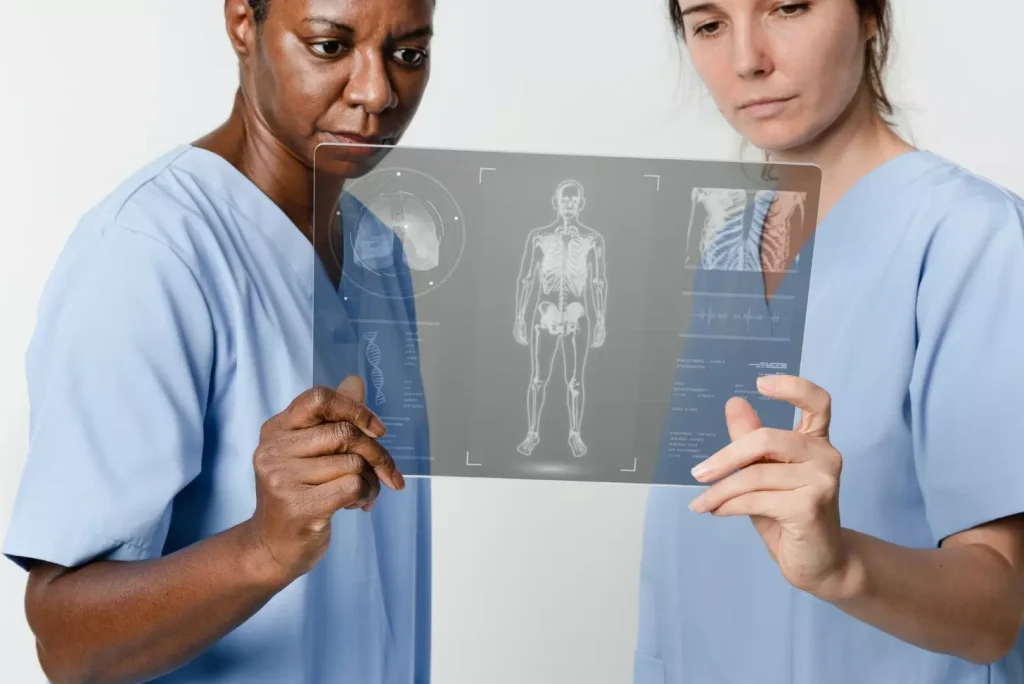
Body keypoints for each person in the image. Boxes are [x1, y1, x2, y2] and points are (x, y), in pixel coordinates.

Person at [3, 0, 436, 682]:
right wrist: (261, 549)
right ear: (242, 21)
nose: (376, 92)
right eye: (329, 46)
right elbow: (66, 644)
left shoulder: (380, 253)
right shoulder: (149, 253)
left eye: (408, 54)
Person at [636, 1, 1024, 683]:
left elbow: (999, 609)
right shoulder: (722, 251)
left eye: (788, 7)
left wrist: (842, 564)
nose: (748, 59)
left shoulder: (972, 239)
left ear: (870, 14)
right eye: (709, 24)